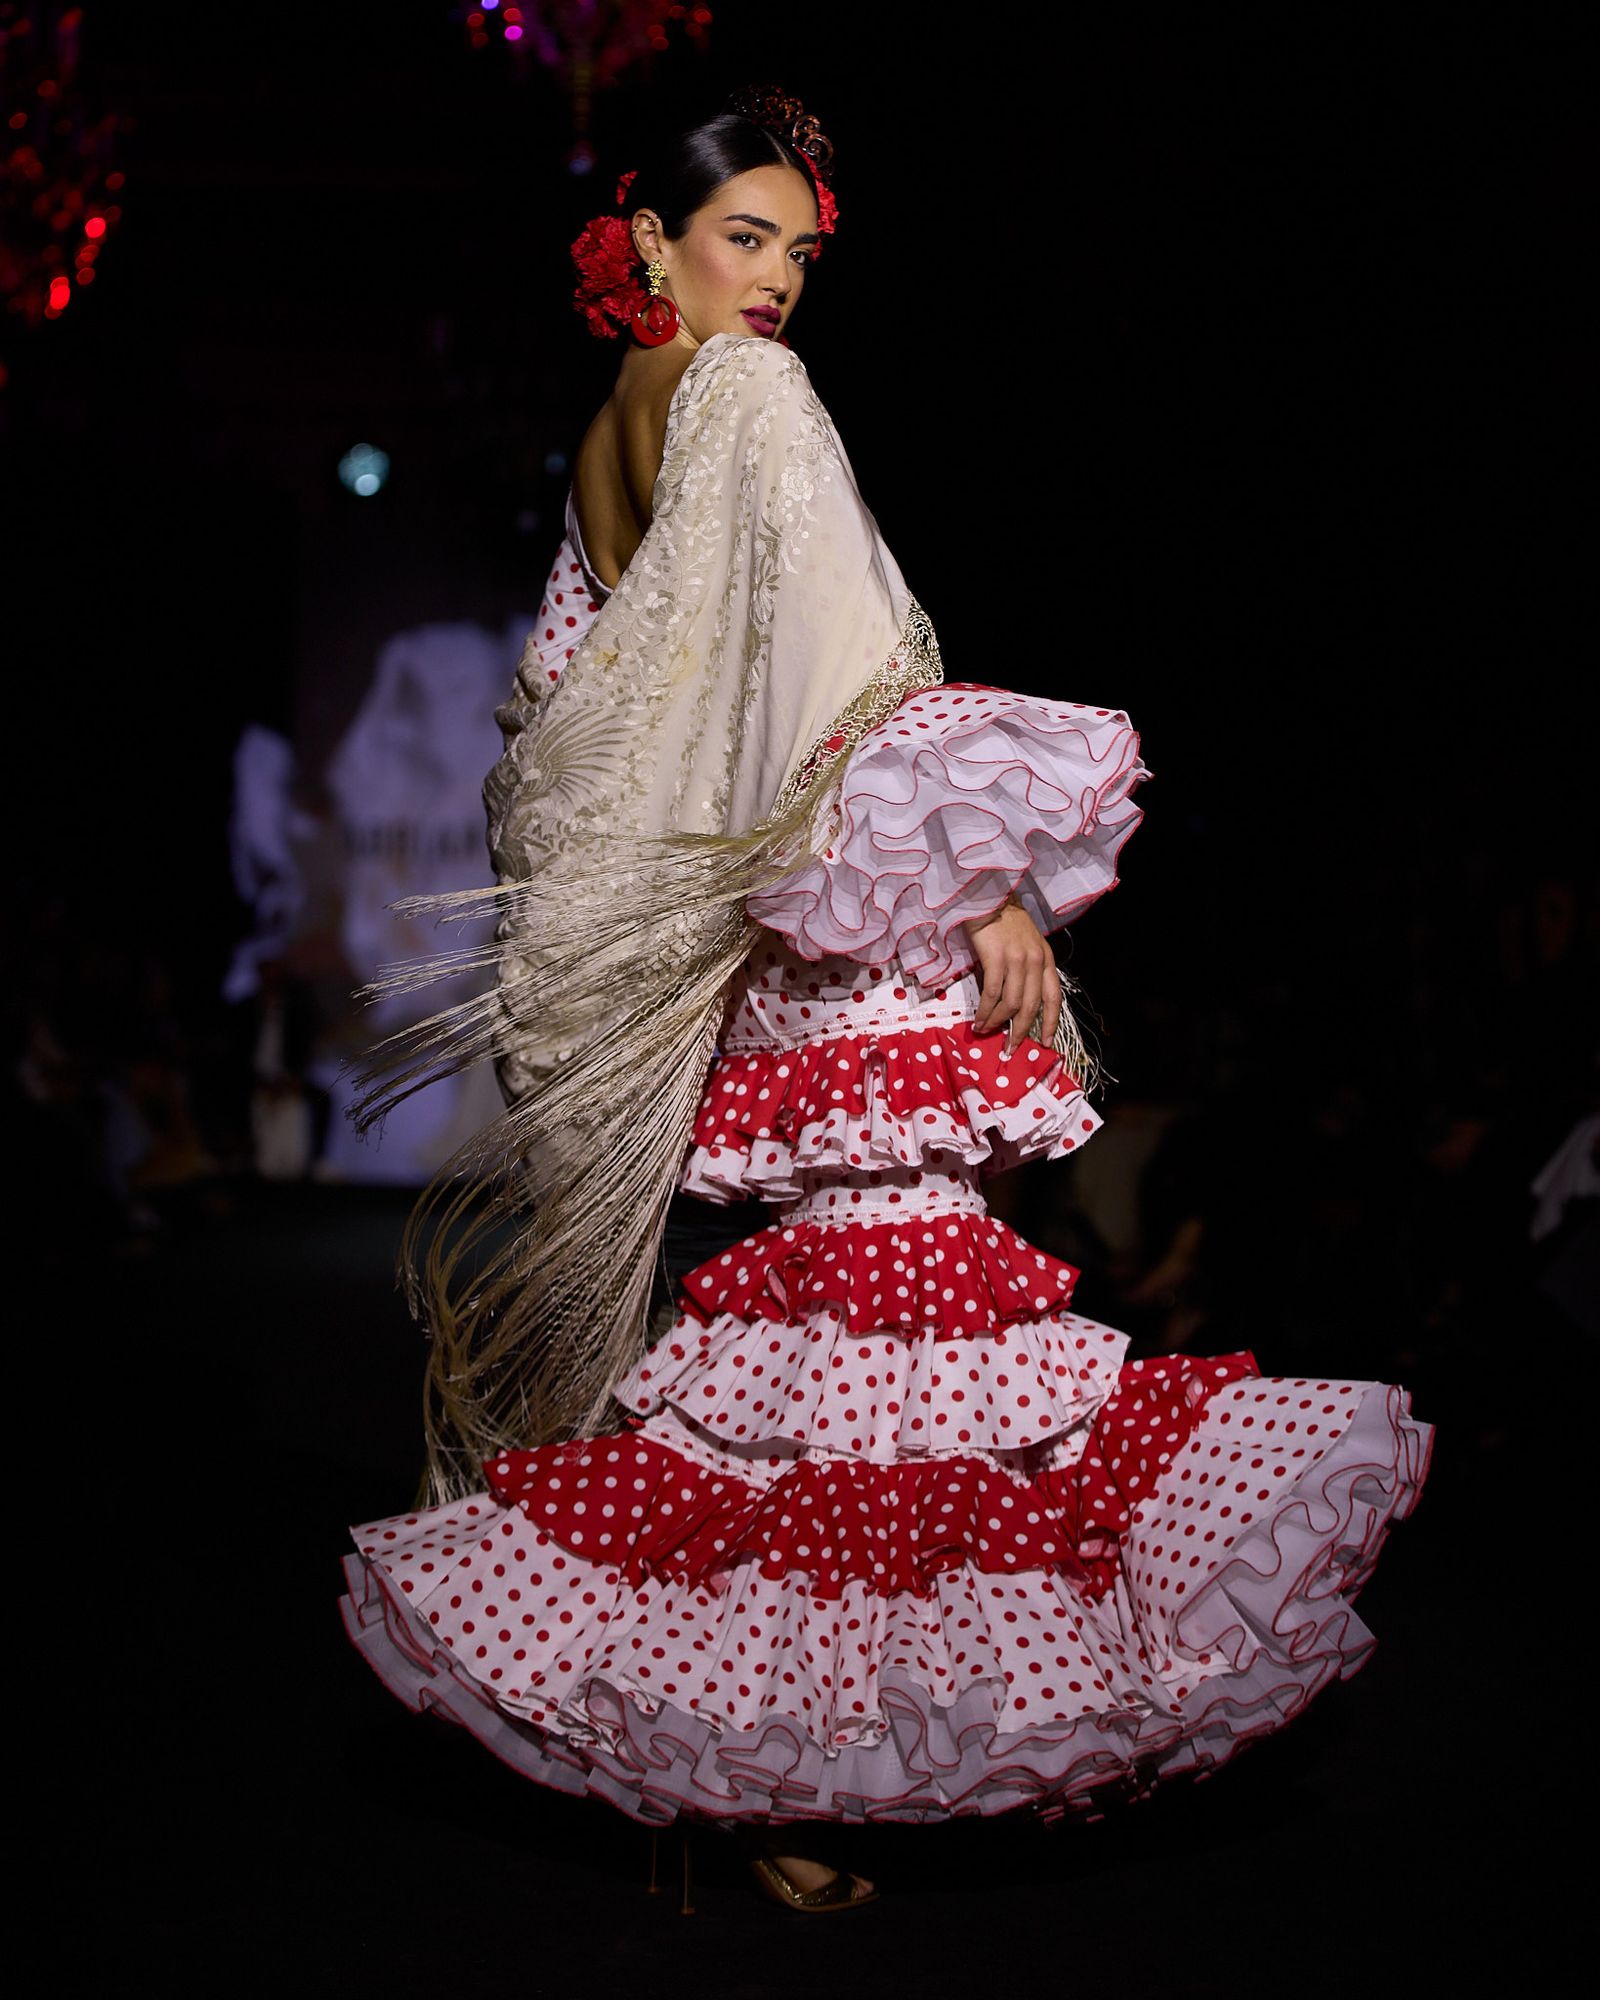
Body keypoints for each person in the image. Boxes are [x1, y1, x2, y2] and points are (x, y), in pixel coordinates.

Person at [338, 87, 1434, 1915]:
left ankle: (815, 1767)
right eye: (743, 237)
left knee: (842, 1386)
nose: (774, 284)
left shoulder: (609, 434)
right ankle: (851, 1763)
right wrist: (987, 873)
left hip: (772, 961)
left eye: (800, 253)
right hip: (854, 934)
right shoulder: (743, 400)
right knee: (899, 1385)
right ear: (654, 237)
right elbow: (837, 674)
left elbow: (576, 747)